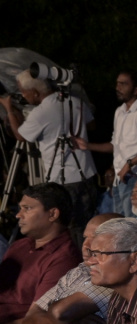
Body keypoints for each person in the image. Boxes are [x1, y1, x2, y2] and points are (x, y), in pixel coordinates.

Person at [1, 71, 98, 244]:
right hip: (86, 174)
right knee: (87, 224)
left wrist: (9, 109)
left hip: (63, 180)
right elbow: (91, 125)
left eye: (24, 92)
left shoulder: (41, 113)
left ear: (35, 92)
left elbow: (20, 136)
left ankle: (74, 257)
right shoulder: (75, 101)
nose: (23, 96)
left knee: (69, 228)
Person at [0, 184, 80, 324]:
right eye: (20, 208)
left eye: (27, 208)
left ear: (52, 214)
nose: (18, 215)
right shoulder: (19, 246)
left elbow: (34, 322)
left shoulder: (63, 259)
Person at [73, 71, 137, 218]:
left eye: (124, 84)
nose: (118, 87)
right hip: (119, 179)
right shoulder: (119, 112)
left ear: (136, 90)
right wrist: (87, 146)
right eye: (117, 83)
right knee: (121, 225)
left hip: (135, 178)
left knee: (131, 226)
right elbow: (115, 145)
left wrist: (129, 164)